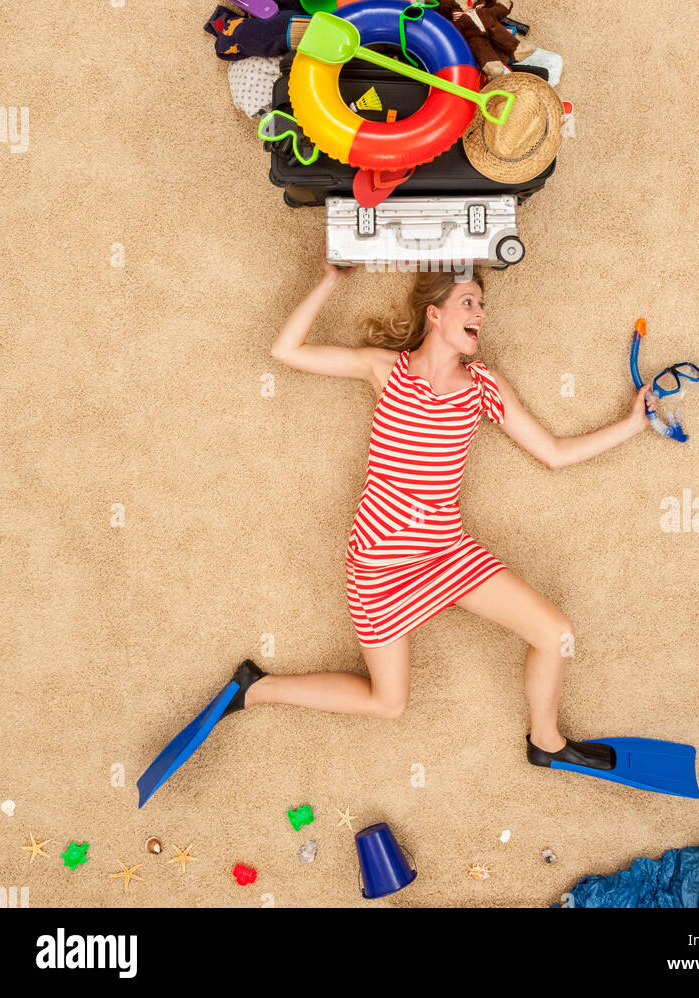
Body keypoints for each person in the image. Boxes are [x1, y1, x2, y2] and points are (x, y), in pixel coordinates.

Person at [221, 264, 657, 772]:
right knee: (389, 704)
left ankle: (547, 741)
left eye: (481, 305)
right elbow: (286, 351)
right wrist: (329, 281)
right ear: (435, 314)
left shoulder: (483, 387)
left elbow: (554, 453)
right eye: (469, 302)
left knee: (555, 632)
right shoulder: (387, 370)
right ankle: (258, 689)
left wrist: (631, 426)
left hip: (447, 553)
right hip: (378, 567)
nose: (482, 313)